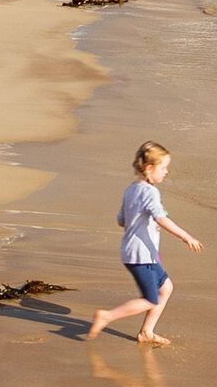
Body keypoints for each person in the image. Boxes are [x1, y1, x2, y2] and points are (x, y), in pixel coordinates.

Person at [83, 142, 203, 348]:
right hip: (141, 255)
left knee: (166, 288)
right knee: (150, 299)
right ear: (149, 168)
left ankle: (146, 332)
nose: (167, 172)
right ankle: (107, 316)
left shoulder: (131, 190)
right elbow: (160, 218)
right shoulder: (150, 193)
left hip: (139, 253)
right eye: (163, 168)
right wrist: (186, 237)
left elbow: (121, 220)